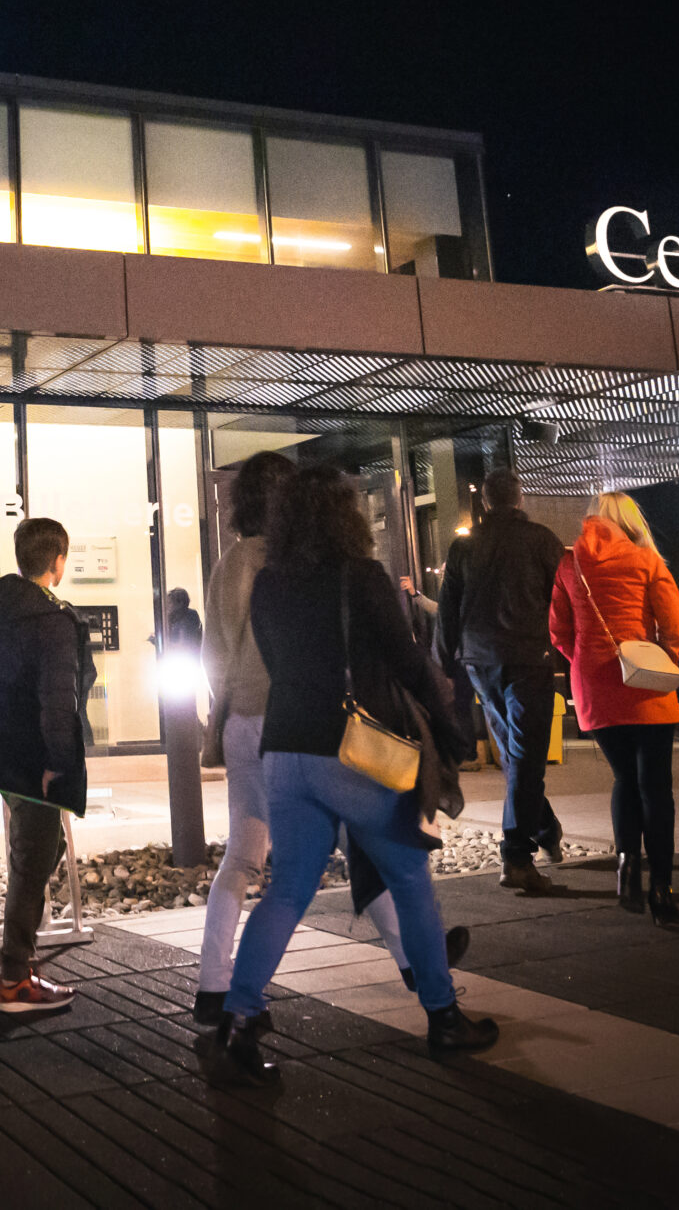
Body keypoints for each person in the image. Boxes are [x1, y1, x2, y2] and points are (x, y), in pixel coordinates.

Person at [204, 462, 496, 1088]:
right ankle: (443, 1016)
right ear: (345, 516)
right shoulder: (360, 577)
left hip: (285, 751)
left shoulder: (270, 584)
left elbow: (275, 663)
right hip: (349, 751)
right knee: (409, 877)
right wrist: (451, 730)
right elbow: (408, 662)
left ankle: (238, 1022)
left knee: (287, 890)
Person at [0, 516, 94, 1015]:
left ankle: (20, 961)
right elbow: (59, 702)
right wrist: (58, 764)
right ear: (58, 562)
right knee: (34, 855)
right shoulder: (54, 621)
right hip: (34, 761)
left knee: (41, 846)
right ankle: (15, 979)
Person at [549, 492, 679, 924]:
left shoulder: (569, 564)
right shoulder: (646, 560)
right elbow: (673, 622)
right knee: (656, 787)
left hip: (594, 683)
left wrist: (587, 664)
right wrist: (662, 659)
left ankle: (627, 870)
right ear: (630, 520)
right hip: (645, 683)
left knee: (624, 778)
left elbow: (558, 630)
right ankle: (661, 888)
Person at [194, 450, 292, 1020]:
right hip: (291, 722)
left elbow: (214, 655)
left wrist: (228, 706)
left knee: (242, 855)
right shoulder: (290, 559)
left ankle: (214, 980)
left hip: (240, 721)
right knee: (352, 838)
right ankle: (417, 963)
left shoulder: (229, 562)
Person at [439, 469, 569, 893]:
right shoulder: (542, 540)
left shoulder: (463, 546)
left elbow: (448, 609)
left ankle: (545, 829)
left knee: (517, 754)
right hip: (529, 656)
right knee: (526, 755)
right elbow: (564, 599)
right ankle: (516, 856)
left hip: (479, 660)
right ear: (520, 498)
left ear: (485, 502)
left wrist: (444, 666)